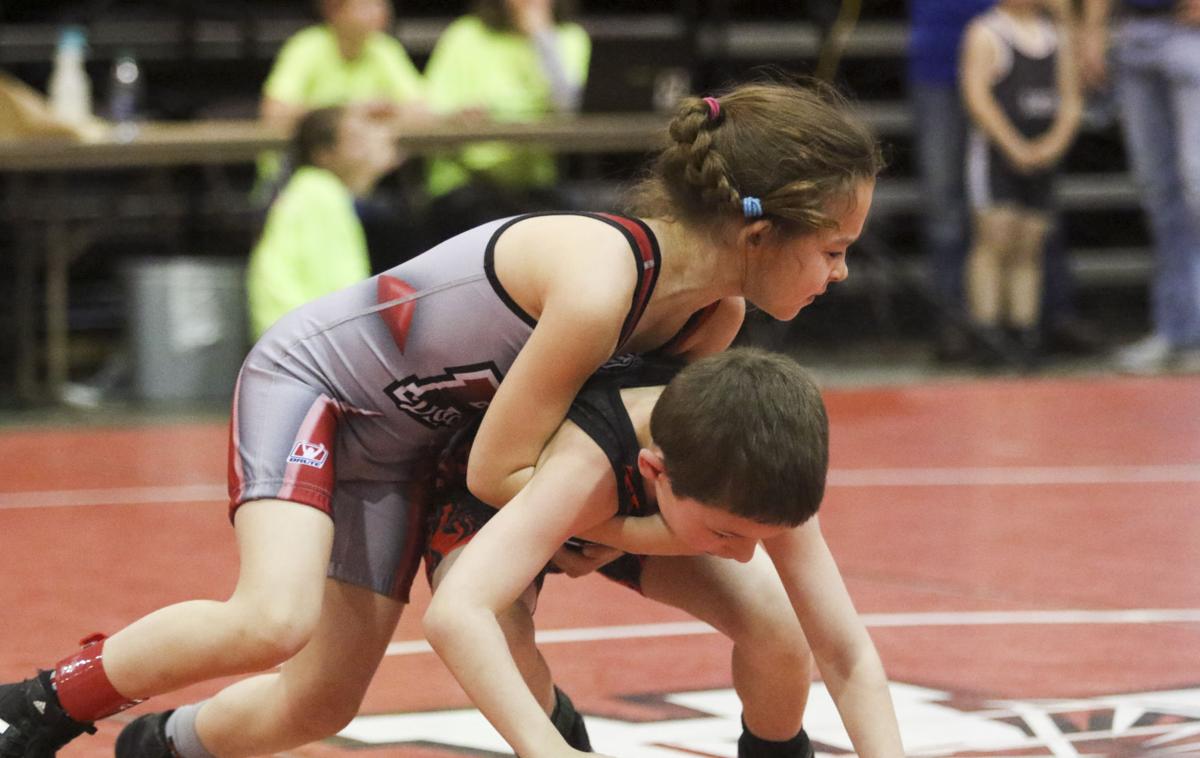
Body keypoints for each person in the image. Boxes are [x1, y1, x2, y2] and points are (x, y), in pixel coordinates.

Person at [0, 80, 881, 758]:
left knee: (324, 702)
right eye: (833, 250)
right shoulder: (600, 279)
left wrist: (626, 529)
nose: (839, 274)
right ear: (759, 232)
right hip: (332, 392)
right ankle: (39, 704)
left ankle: (169, 746)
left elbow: (600, 462)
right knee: (272, 619)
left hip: (452, 443)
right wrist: (628, 535)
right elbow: (504, 475)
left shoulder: (711, 319)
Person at [423, 348, 905, 758]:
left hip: (634, 511)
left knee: (780, 625)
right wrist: (548, 750)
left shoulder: (759, 466)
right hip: (499, 504)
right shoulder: (585, 467)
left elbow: (845, 653)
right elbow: (456, 614)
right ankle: (564, 735)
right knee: (499, 632)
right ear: (655, 471)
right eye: (726, 534)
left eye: (760, 537)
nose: (741, 556)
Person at [959, 0, 1082, 366]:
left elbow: (1071, 100)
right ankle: (987, 332)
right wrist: (1013, 146)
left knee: (1030, 245)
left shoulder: (1056, 36)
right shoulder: (987, 32)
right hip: (998, 155)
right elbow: (976, 96)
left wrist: (1053, 144)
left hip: (1041, 156)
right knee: (995, 239)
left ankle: (1023, 333)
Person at [1080, 0, 1200, 373]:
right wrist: (1093, 28)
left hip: (1188, 34)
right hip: (1132, 33)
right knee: (1158, 191)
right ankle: (1177, 329)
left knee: (1197, 184)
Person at [421, 0, 591, 241]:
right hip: (467, 181)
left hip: (536, 183)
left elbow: (571, 108)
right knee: (494, 228)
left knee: (582, 229)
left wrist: (542, 38)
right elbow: (430, 111)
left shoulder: (569, 37)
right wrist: (458, 117)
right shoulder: (465, 34)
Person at [246, 105, 400, 338]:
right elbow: (341, 294)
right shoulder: (319, 195)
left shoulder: (315, 190)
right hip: (303, 344)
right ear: (324, 155)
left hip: (298, 339)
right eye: (357, 139)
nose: (371, 144)